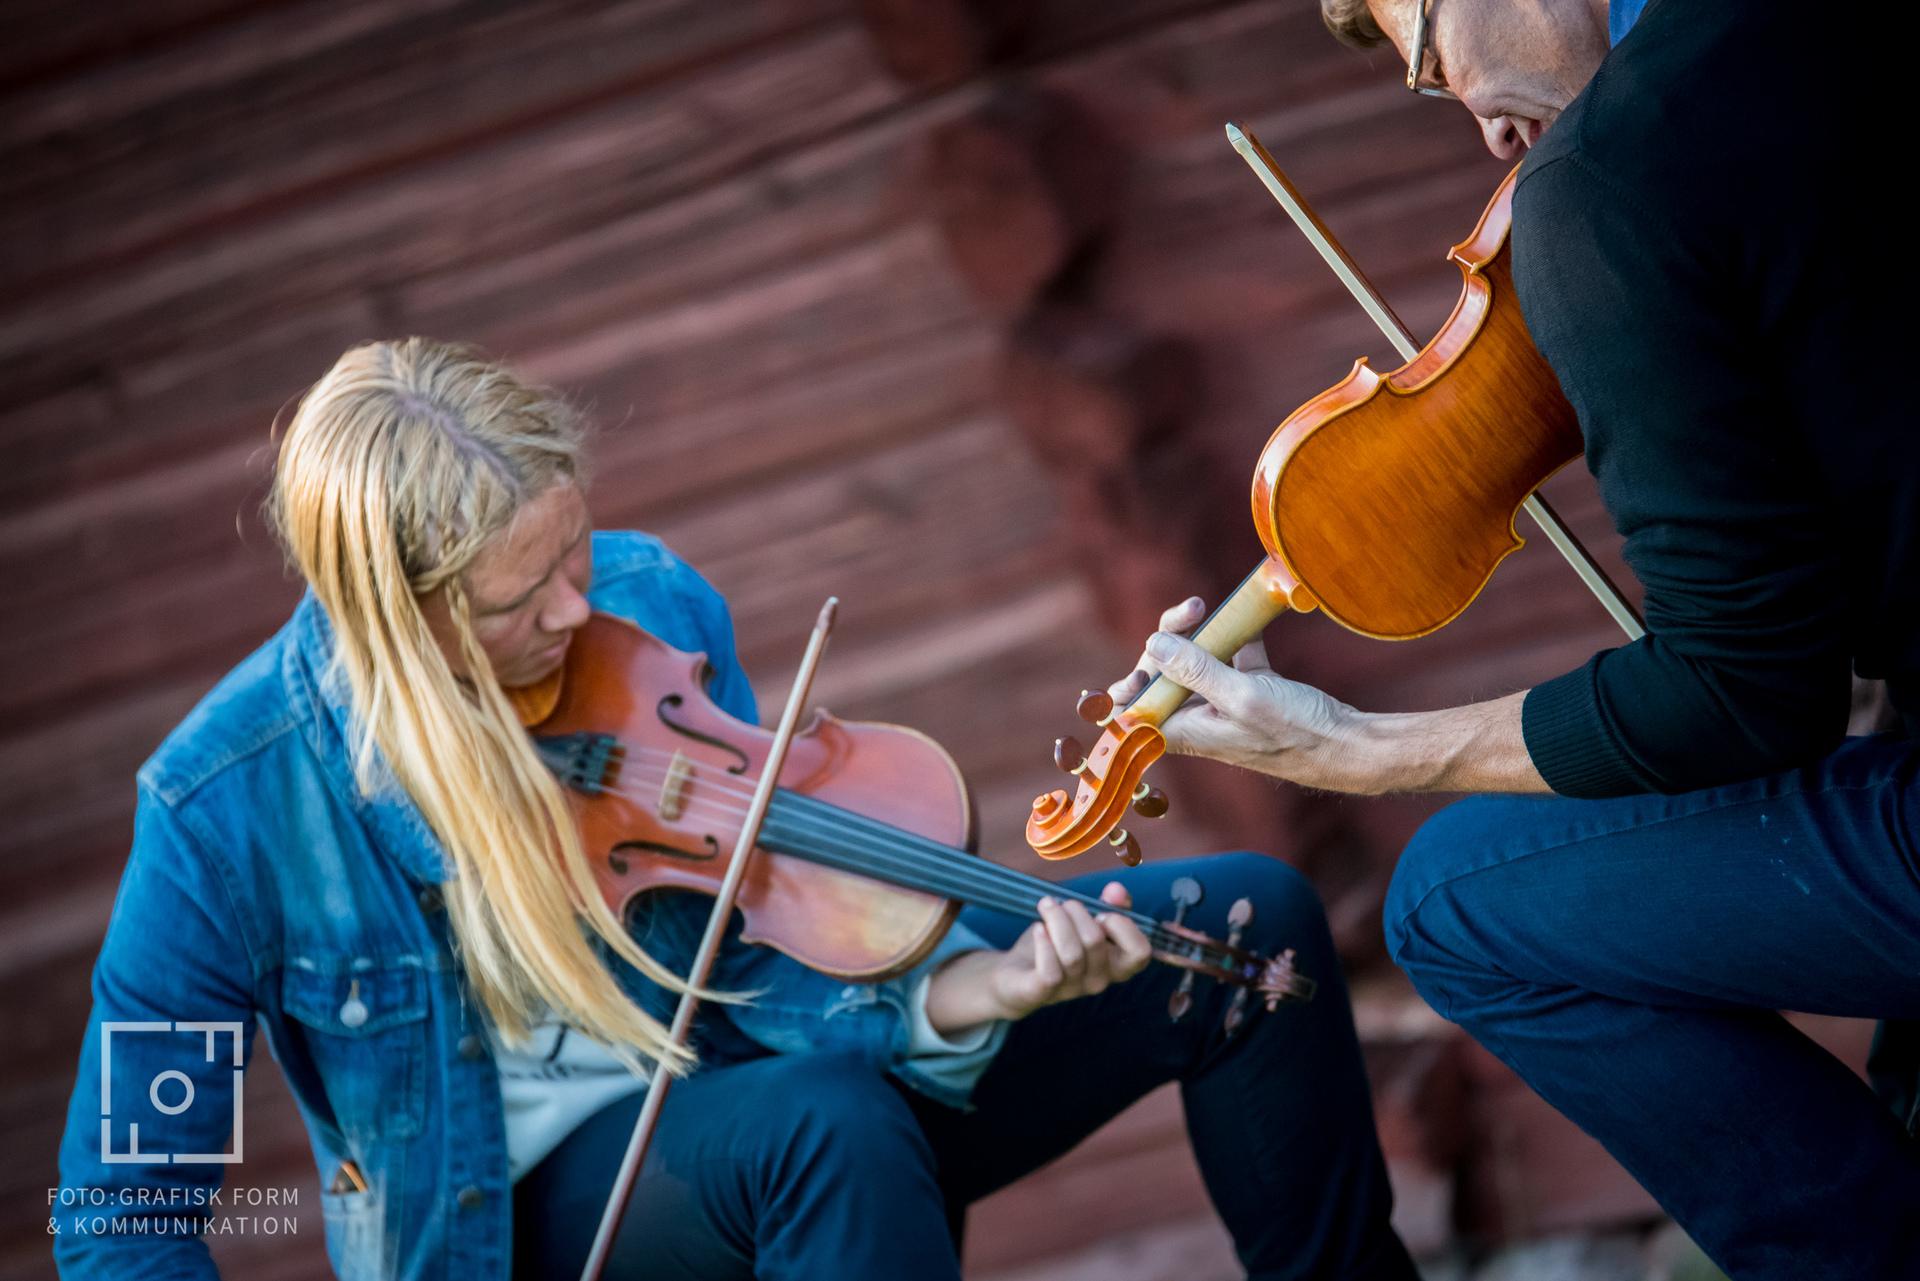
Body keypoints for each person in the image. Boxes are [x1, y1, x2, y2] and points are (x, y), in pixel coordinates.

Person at [53, 338, 1415, 1281]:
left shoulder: (648, 606)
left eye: (573, 550)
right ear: (399, 623)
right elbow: (121, 1208)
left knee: (1252, 933)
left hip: (784, 1069)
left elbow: (776, 944)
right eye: (521, 600)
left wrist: (976, 994)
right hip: (517, 1217)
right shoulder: (220, 805)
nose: (579, 607)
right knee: (822, 1130)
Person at [1108, 2, 1920, 1277]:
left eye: (1435, 66)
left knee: (1450, 900)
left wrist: (1366, 753)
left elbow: (1744, 696)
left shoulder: (1613, 173)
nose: (1489, 128)